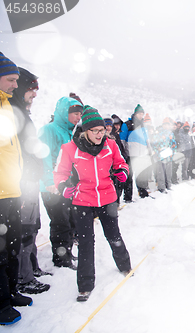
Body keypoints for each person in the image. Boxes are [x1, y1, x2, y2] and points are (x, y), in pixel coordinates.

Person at [54, 108, 132, 302]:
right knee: (86, 242)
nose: (100, 134)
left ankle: (125, 267)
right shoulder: (70, 148)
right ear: (85, 131)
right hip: (83, 200)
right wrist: (63, 186)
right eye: (95, 131)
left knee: (113, 235)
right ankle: (85, 285)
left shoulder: (111, 145)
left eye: (102, 130)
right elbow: (60, 172)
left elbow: (121, 163)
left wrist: (122, 171)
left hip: (107, 197)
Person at [9, 67, 51, 295]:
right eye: (31, 90)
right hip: (21, 182)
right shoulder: (13, 114)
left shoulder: (23, 114)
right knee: (24, 230)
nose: (34, 95)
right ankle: (23, 277)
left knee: (33, 227)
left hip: (30, 180)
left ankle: (31, 268)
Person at [0, 52, 33, 326]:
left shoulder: (8, 107)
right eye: (11, 80)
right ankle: (0, 304)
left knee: (12, 248)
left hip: (12, 190)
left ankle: (11, 293)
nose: (15, 85)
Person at [39, 95, 83, 270]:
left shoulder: (68, 132)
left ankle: (67, 252)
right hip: (52, 187)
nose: (78, 117)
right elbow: (44, 158)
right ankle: (61, 259)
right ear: (65, 113)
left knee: (69, 220)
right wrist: (51, 182)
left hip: (67, 185)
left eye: (80, 114)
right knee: (60, 223)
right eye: (75, 113)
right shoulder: (49, 130)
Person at [120, 105, 151, 198]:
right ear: (135, 114)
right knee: (129, 176)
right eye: (139, 114)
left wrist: (149, 150)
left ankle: (142, 192)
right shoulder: (127, 124)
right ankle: (128, 196)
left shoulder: (143, 126)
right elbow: (122, 139)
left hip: (141, 155)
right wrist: (124, 152)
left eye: (142, 114)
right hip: (130, 154)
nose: (141, 116)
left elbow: (147, 140)